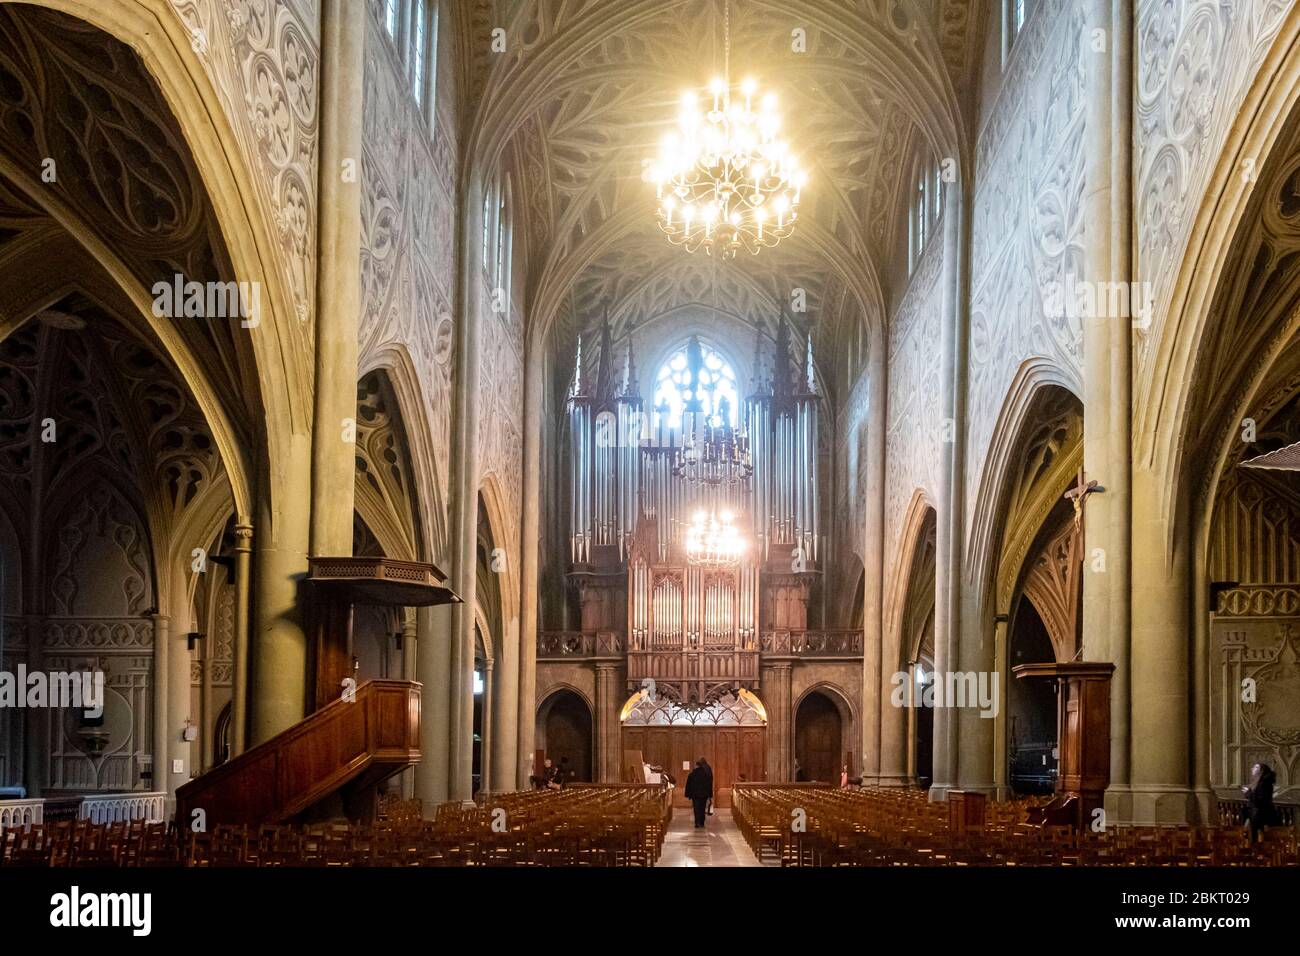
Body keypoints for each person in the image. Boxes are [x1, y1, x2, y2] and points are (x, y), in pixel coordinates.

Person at [1242, 762, 1279, 841]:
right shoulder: (1259, 782)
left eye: (1256, 767)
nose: (1252, 769)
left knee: (1259, 837)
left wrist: (1248, 793)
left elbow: (1259, 800)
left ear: (1261, 771)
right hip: (1255, 814)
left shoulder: (1265, 783)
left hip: (1261, 816)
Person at [684, 758, 713, 829]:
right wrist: (710, 794)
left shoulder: (692, 774)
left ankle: (697, 822)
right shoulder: (706, 775)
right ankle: (702, 823)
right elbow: (709, 784)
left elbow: (688, 785)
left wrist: (687, 794)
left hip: (695, 794)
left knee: (696, 808)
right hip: (704, 794)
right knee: (702, 808)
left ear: (696, 766)